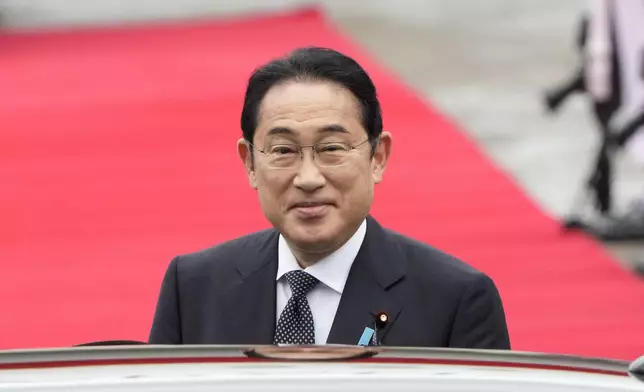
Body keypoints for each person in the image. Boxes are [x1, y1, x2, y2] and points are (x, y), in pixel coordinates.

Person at [148, 47, 511, 349]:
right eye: (283, 150)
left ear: (377, 157)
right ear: (250, 163)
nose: (308, 178)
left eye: (332, 148)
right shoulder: (194, 286)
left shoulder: (455, 299)